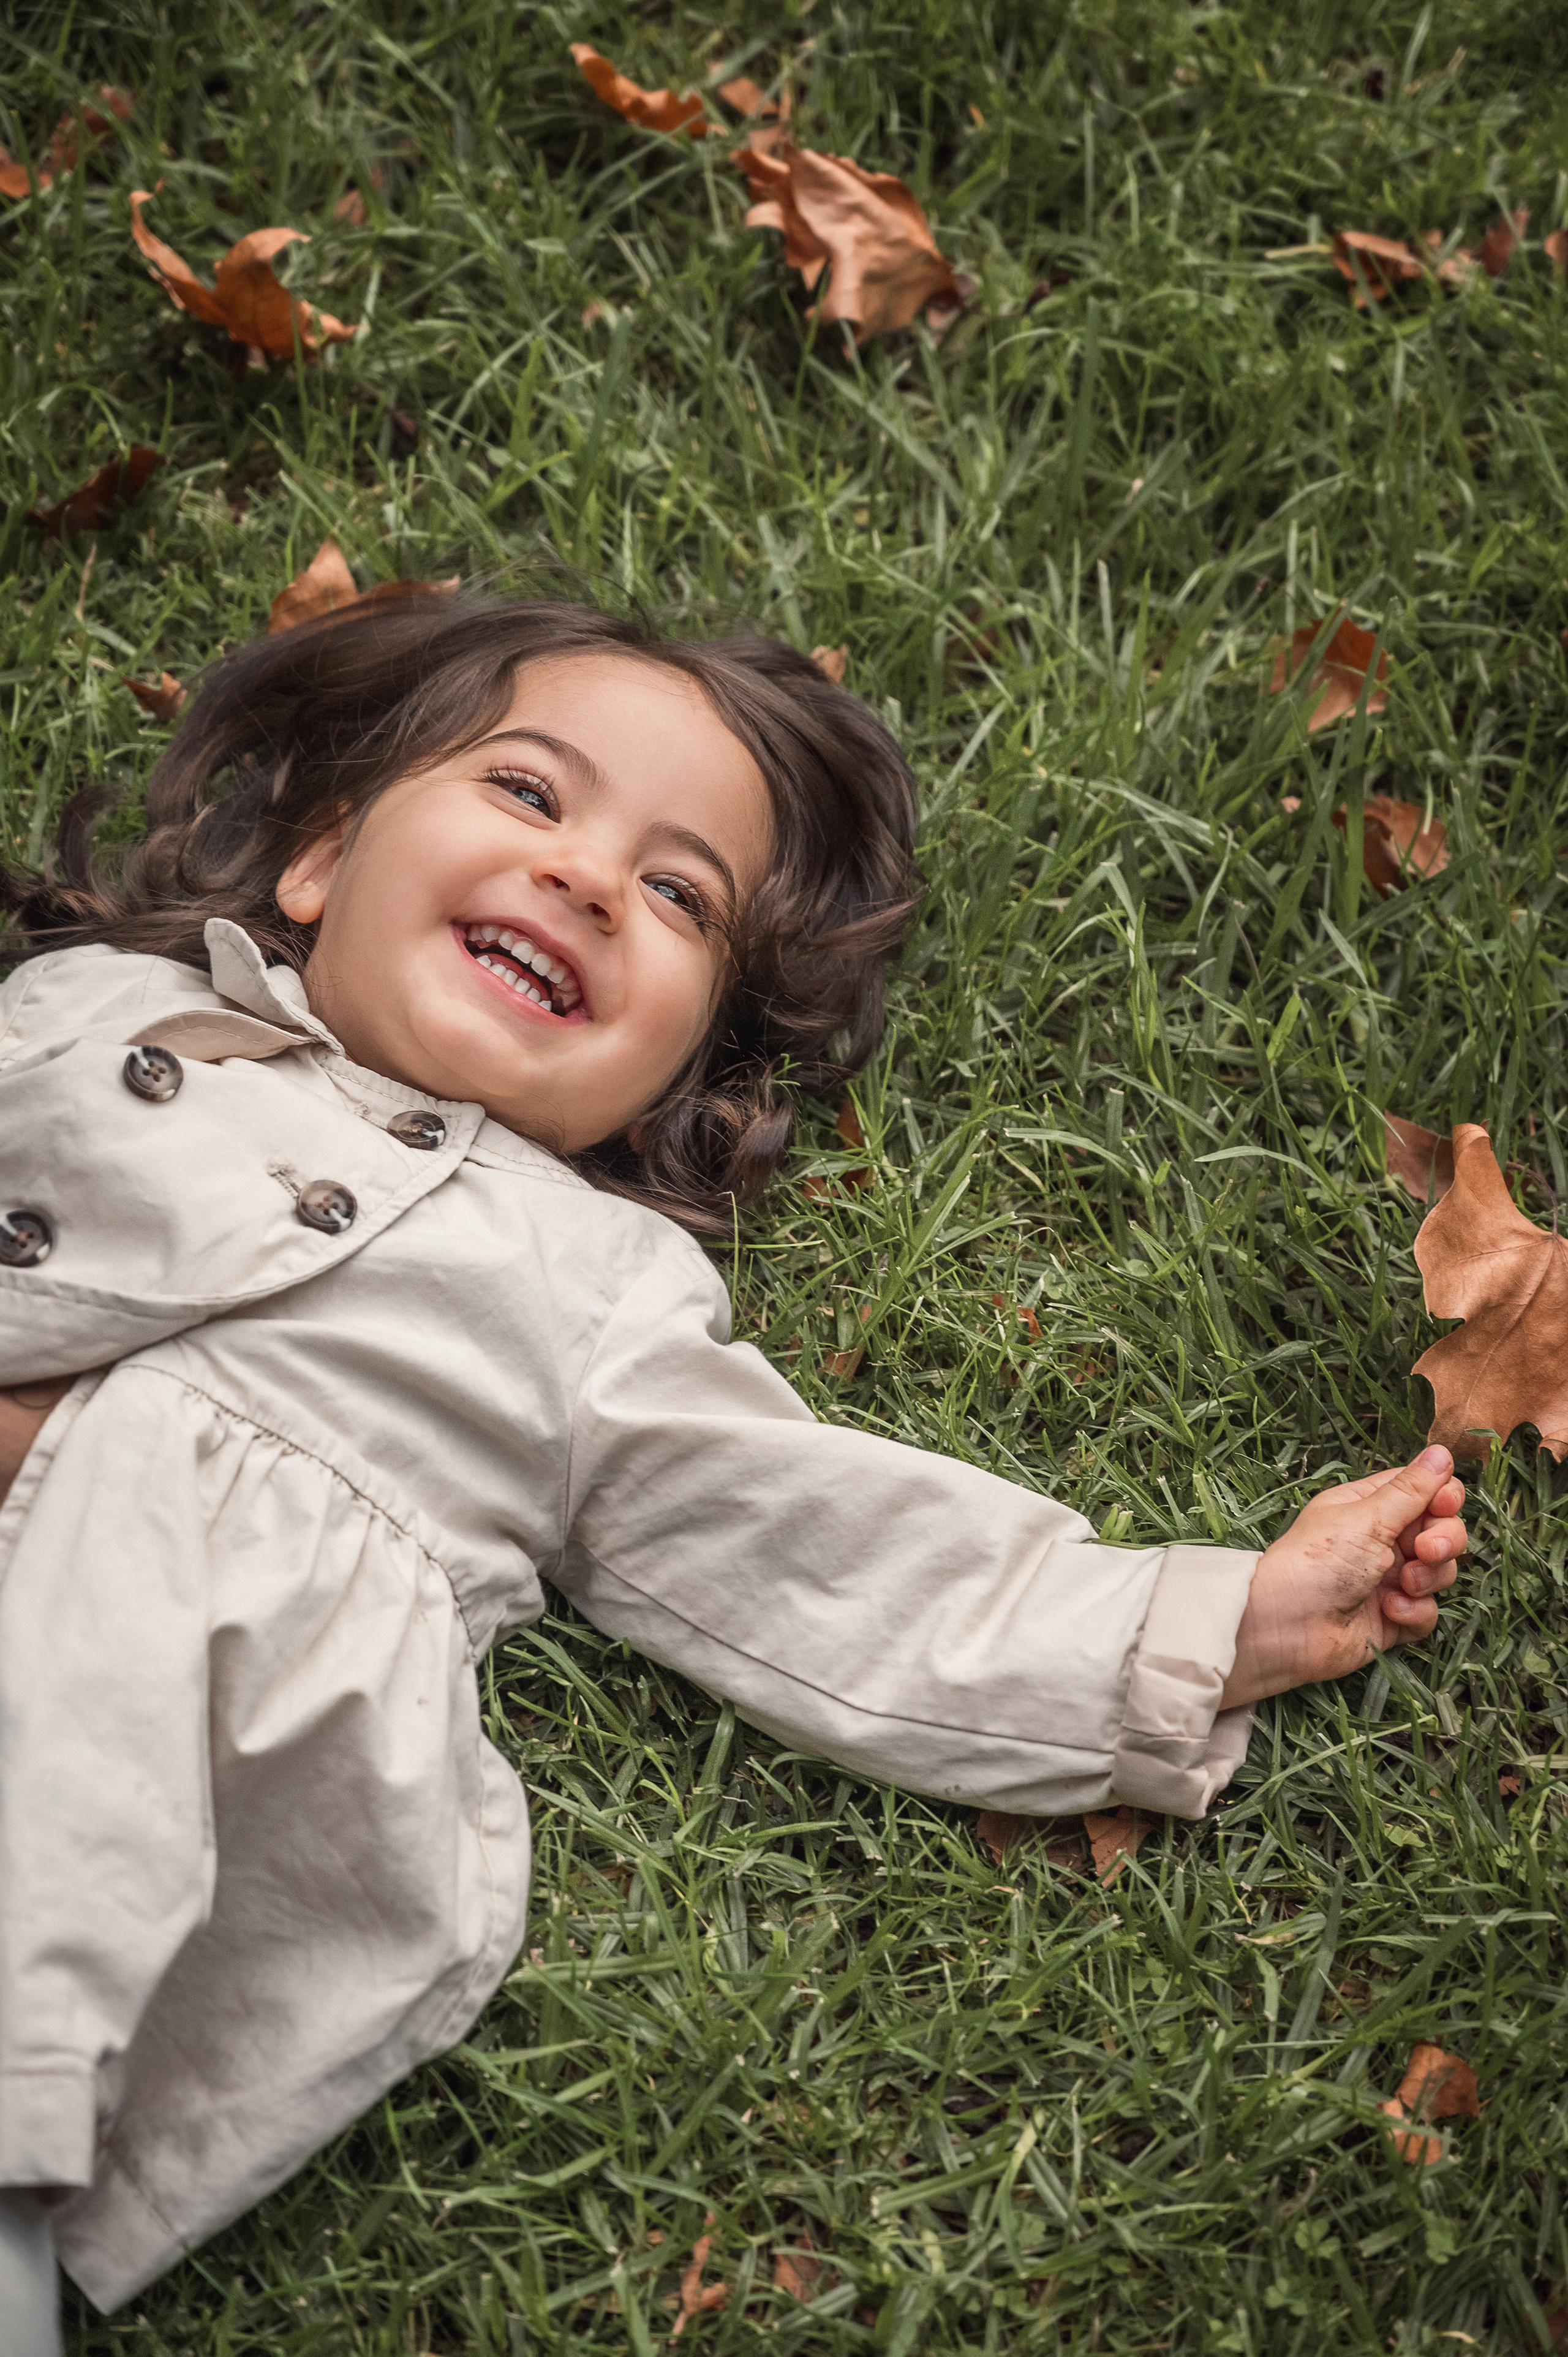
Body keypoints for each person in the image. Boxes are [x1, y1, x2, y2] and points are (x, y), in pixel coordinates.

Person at [0, 597, 1466, 2347]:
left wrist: (1216, 1623)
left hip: (106, 1788)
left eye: (679, 895)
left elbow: (827, 1555)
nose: (587, 877)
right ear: (318, 859)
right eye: (528, 792)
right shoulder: (90, 1006)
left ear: (667, 1077)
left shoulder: (580, 1287)